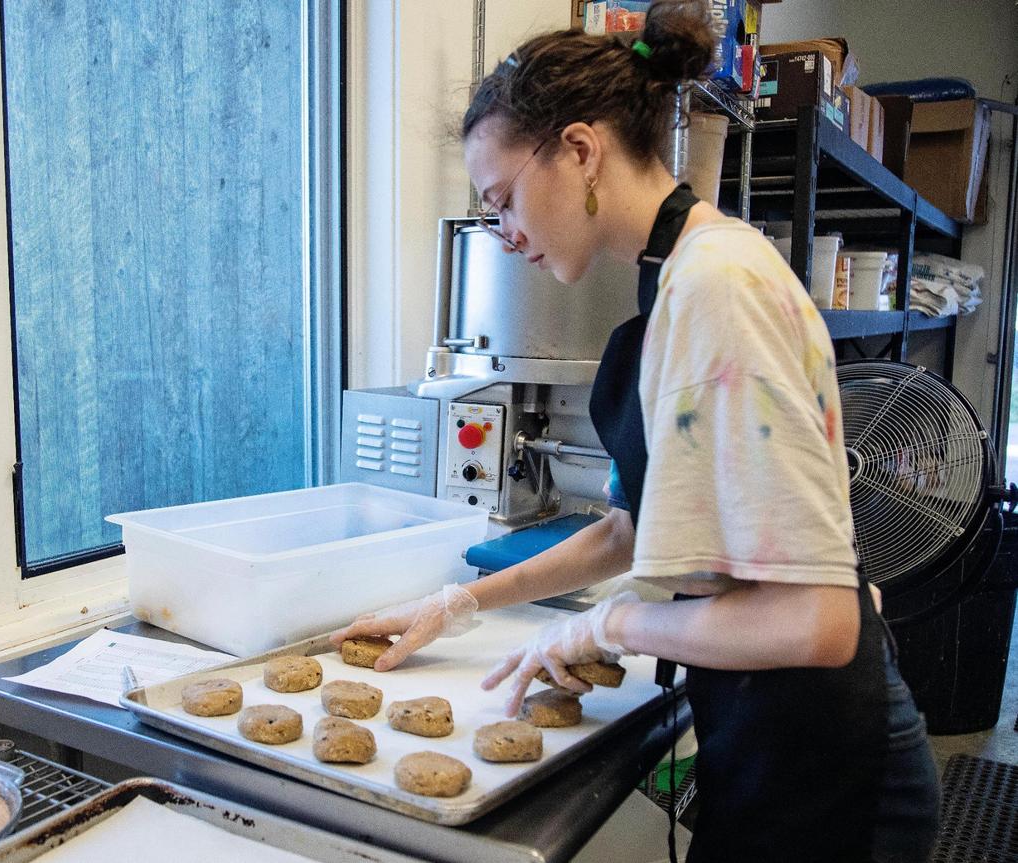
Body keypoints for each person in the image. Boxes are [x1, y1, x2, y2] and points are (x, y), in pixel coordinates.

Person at [332, 2, 940, 860]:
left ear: (580, 150)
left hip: (829, 763)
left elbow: (818, 620)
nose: (504, 235)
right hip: (762, 730)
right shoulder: (672, 280)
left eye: (503, 200)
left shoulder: (718, 284)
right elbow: (626, 531)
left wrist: (609, 625)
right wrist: (457, 603)